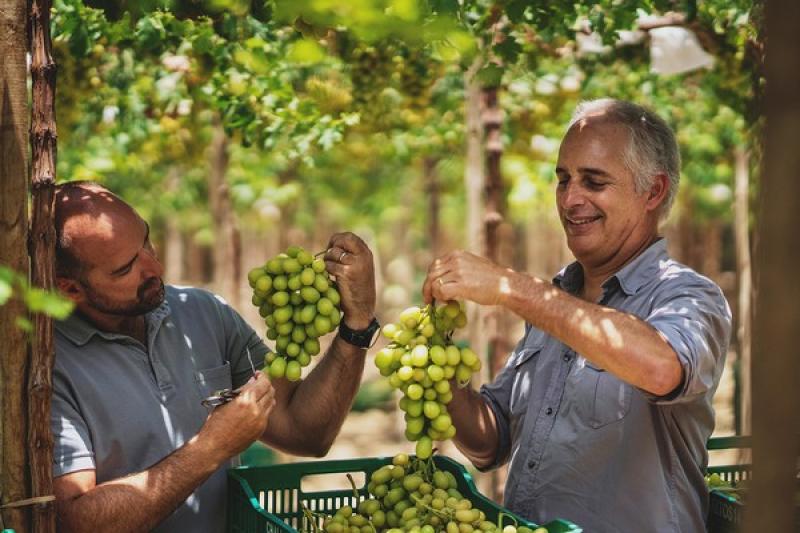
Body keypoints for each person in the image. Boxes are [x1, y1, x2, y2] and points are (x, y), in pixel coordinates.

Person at [423, 99, 732, 532]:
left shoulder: (689, 296)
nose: (570, 199)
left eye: (594, 181)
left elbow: (662, 366)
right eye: (563, 179)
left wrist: (513, 288)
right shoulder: (557, 300)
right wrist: (436, 368)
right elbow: (490, 442)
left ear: (653, 191)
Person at [51, 181, 378, 532]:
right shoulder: (49, 367)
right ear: (71, 289)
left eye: (146, 241)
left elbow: (305, 433)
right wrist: (212, 447)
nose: (154, 268)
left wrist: (355, 326)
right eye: (125, 268)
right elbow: (77, 522)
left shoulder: (203, 313)